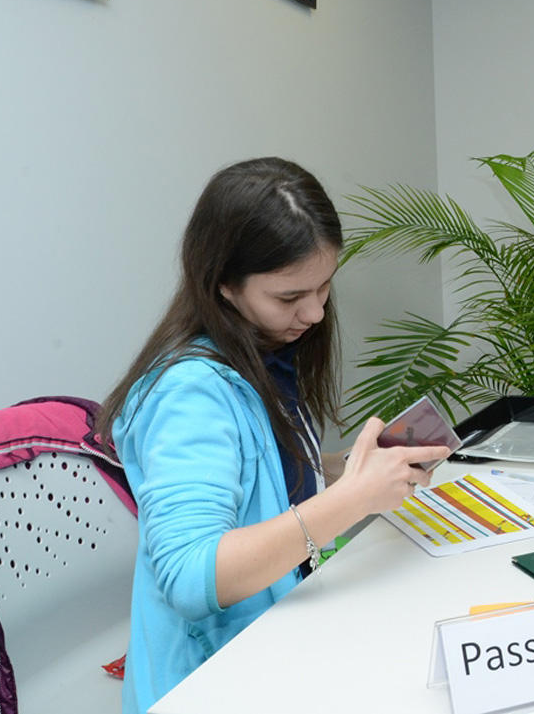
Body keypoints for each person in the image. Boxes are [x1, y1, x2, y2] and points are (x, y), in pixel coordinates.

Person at [97, 158, 450, 714]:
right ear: (224, 287)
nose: (314, 312)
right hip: (212, 679)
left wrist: (344, 469)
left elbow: (260, 477)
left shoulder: (265, 354)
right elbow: (192, 576)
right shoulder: (188, 393)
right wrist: (352, 499)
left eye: (325, 287)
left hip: (279, 643)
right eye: (289, 298)